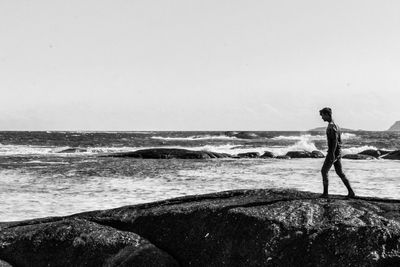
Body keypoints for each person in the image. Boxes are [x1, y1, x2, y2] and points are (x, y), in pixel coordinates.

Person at [319, 107, 355, 198]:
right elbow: (339, 141)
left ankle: (325, 193)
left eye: (322, 115)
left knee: (324, 171)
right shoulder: (337, 125)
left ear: (327, 114)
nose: (322, 117)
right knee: (340, 172)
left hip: (333, 152)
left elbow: (334, 141)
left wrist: (331, 154)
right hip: (338, 152)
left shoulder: (331, 126)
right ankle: (351, 192)